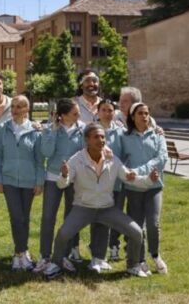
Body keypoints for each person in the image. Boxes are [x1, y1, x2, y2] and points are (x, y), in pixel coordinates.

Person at [41, 123, 158, 279]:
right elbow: (62, 183)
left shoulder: (112, 159)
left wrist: (148, 180)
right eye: (96, 137)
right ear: (87, 140)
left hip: (106, 209)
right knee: (63, 234)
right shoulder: (76, 160)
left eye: (103, 137)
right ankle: (56, 264)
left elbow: (130, 178)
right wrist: (64, 175)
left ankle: (133, 265)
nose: (101, 140)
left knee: (136, 233)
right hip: (83, 207)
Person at [0, 95, 44, 271]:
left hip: (29, 181)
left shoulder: (35, 131)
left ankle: (23, 252)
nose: (15, 110)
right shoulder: (2, 129)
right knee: (16, 217)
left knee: (25, 217)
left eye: (20, 106)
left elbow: (39, 159)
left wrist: (39, 181)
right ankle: (19, 253)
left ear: (27, 110)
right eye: (13, 106)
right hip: (9, 181)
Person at [34, 99, 85, 273]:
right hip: (53, 178)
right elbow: (46, 153)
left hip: (74, 179)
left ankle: (63, 255)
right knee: (48, 218)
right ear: (62, 116)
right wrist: (53, 132)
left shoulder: (83, 129)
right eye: (75, 114)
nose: (78, 116)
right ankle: (44, 256)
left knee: (71, 218)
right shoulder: (49, 129)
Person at [121, 102, 169, 276]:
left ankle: (155, 255)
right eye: (140, 113)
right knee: (136, 226)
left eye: (147, 113)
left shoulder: (157, 135)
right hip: (134, 187)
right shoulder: (124, 137)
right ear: (133, 117)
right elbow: (120, 160)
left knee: (153, 223)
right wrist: (132, 174)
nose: (144, 116)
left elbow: (162, 158)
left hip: (154, 186)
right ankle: (140, 260)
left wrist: (141, 171)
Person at [91, 99, 126, 267]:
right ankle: (96, 254)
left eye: (110, 110)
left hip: (116, 183)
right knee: (98, 218)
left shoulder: (121, 131)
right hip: (96, 183)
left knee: (114, 217)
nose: (107, 113)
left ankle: (110, 249)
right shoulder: (90, 131)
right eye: (104, 110)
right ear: (98, 112)